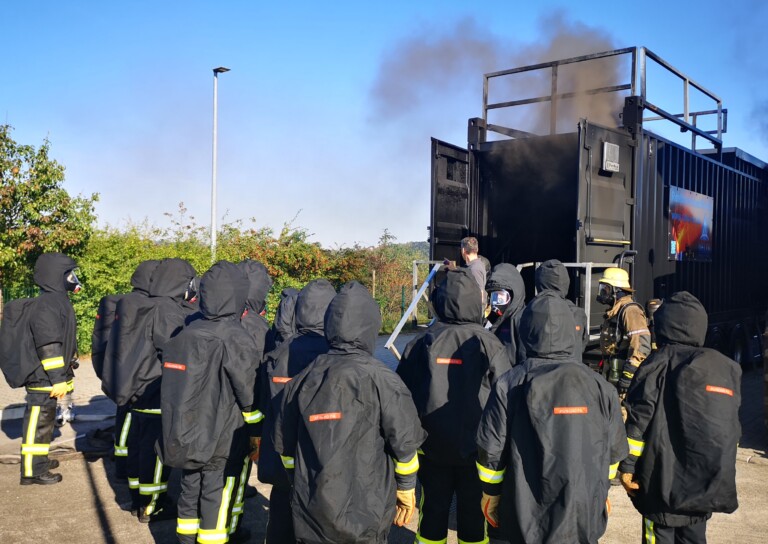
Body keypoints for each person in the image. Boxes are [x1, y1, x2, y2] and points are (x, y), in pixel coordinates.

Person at [273, 281, 427, 544]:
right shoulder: (384, 380)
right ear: (370, 326)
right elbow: (404, 443)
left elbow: (286, 448)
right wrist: (406, 486)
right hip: (368, 512)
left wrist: (298, 482)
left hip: (312, 511)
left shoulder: (302, 380)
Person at [476, 293, 627, 543]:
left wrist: (491, 493)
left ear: (526, 330)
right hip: (582, 514)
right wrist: (601, 491)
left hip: (523, 517)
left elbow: (491, 449)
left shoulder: (508, 384)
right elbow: (614, 451)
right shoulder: (601, 387)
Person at [397, 267, 511, 544]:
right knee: (474, 519)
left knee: (432, 514)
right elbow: (505, 399)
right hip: (477, 452)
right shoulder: (490, 344)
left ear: (438, 301)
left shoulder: (420, 343)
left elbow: (400, 396)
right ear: (476, 301)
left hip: (431, 449)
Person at [618, 291, 741, 544]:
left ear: (662, 326)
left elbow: (638, 423)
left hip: (659, 489)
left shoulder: (655, 364)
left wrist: (627, 468)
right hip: (700, 491)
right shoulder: (722, 368)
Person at [158, 261, 260, 544]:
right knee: (216, 492)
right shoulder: (235, 336)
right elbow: (248, 391)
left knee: (189, 486)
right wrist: (256, 427)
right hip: (221, 434)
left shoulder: (186, 331)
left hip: (185, 431)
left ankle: (186, 540)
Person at [115, 257, 196, 522]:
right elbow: (174, 350)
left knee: (139, 446)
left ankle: (138, 497)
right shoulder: (168, 310)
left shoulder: (142, 304)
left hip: (137, 388)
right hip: (157, 389)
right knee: (156, 449)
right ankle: (152, 505)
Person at [257, 278, 336, 544]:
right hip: (320, 457)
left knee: (280, 511)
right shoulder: (334, 354)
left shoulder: (278, 353)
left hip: (281, 455)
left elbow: (264, 404)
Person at [16, 253, 82, 485]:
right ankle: (32, 472)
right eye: (69, 273)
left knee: (45, 423)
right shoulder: (47, 305)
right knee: (38, 422)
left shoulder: (56, 301)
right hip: (43, 377)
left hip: (49, 377)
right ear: (56, 275)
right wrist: (57, 378)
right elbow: (48, 344)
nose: (73, 278)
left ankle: (39, 461)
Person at [91, 259, 159, 479]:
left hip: (120, 378)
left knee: (124, 421)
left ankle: (121, 465)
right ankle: (129, 469)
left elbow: (101, 344)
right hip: (142, 381)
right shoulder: (151, 307)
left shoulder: (119, 303)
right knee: (137, 428)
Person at [596, 267, 651, 393]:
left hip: (622, 376)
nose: (603, 292)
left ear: (616, 290)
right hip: (612, 372)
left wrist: (628, 376)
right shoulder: (615, 311)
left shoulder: (630, 311)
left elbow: (641, 345)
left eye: (606, 288)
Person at [530, 259, 588, 359]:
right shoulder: (578, 313)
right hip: (573, 367)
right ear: (565, 282)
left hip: (540, 367)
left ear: (539, 283)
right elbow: (583, 343)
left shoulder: (532, 312)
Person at [485, 262, 526, 365]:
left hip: (511, 372)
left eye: (500, 297)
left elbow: (525, 362)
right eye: (492, 296)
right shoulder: (489, 318)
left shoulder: (522, 321)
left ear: (513, 295)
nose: (495, 302)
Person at [264, 287, 299, 354]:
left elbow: (280, 325)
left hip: (280, 343)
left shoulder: (284, 303)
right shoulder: (296, 304)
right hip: (289, 343)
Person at [460, 236, 487, 305]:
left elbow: (480, 297)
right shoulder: (477, 264)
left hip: (473, 310)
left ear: (463, 250)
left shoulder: (474, 269)